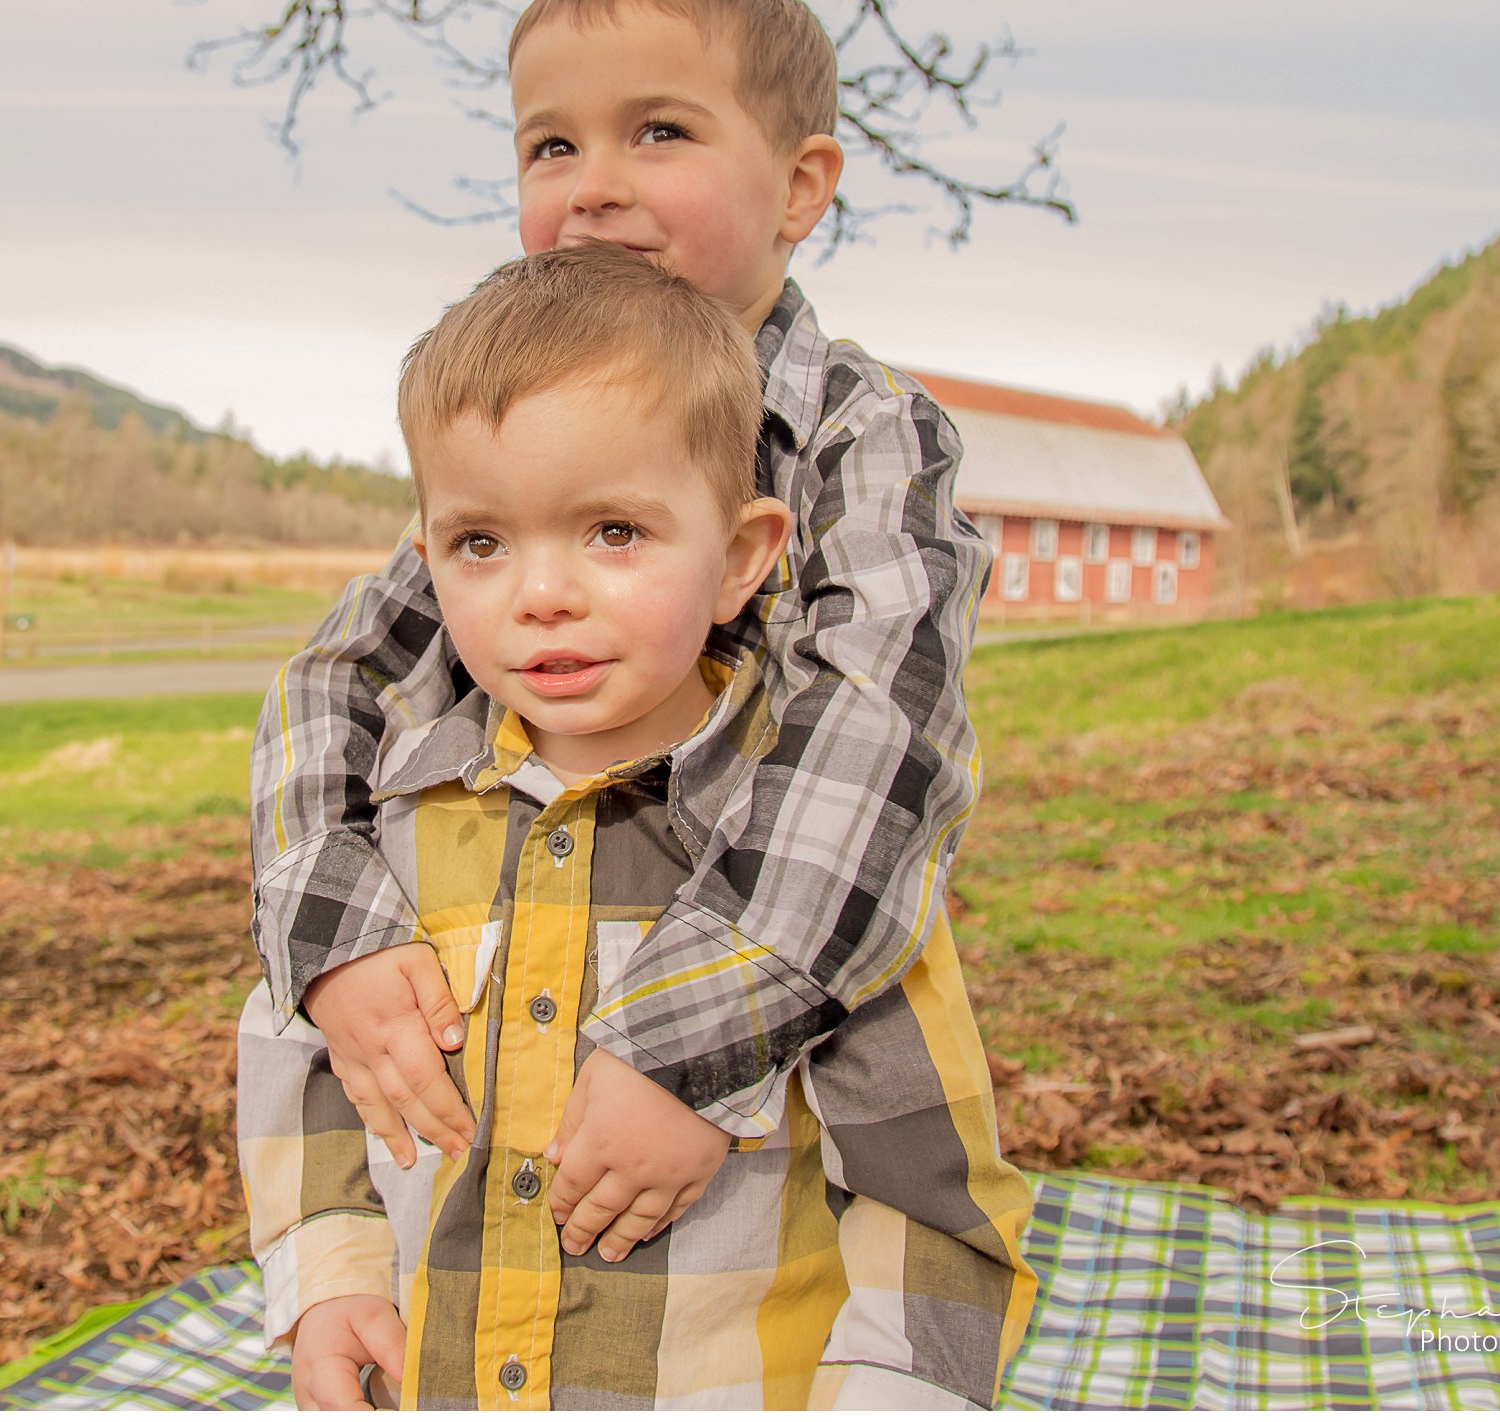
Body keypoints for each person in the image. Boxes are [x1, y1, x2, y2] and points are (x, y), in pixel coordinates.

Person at [252, 0, 997, 1269]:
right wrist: (334, 929)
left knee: (807, 1258)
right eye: (549, 145)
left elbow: (878, 729)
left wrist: (689, 1044)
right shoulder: (537, 418)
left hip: (779, 967)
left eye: (657, 131)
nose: (590, 182)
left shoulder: (859, 432)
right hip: (527, 907)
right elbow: (343, 679)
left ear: (799, 187)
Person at [237, 246, 1035, 1409]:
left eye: (613, 531)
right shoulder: (393, 831)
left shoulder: (808, 862)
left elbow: (931, 1198)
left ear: (742, 559)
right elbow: (307, 1057)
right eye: (481, 542)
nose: (540, 591)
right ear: (424, 566)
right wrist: (331, 1272)